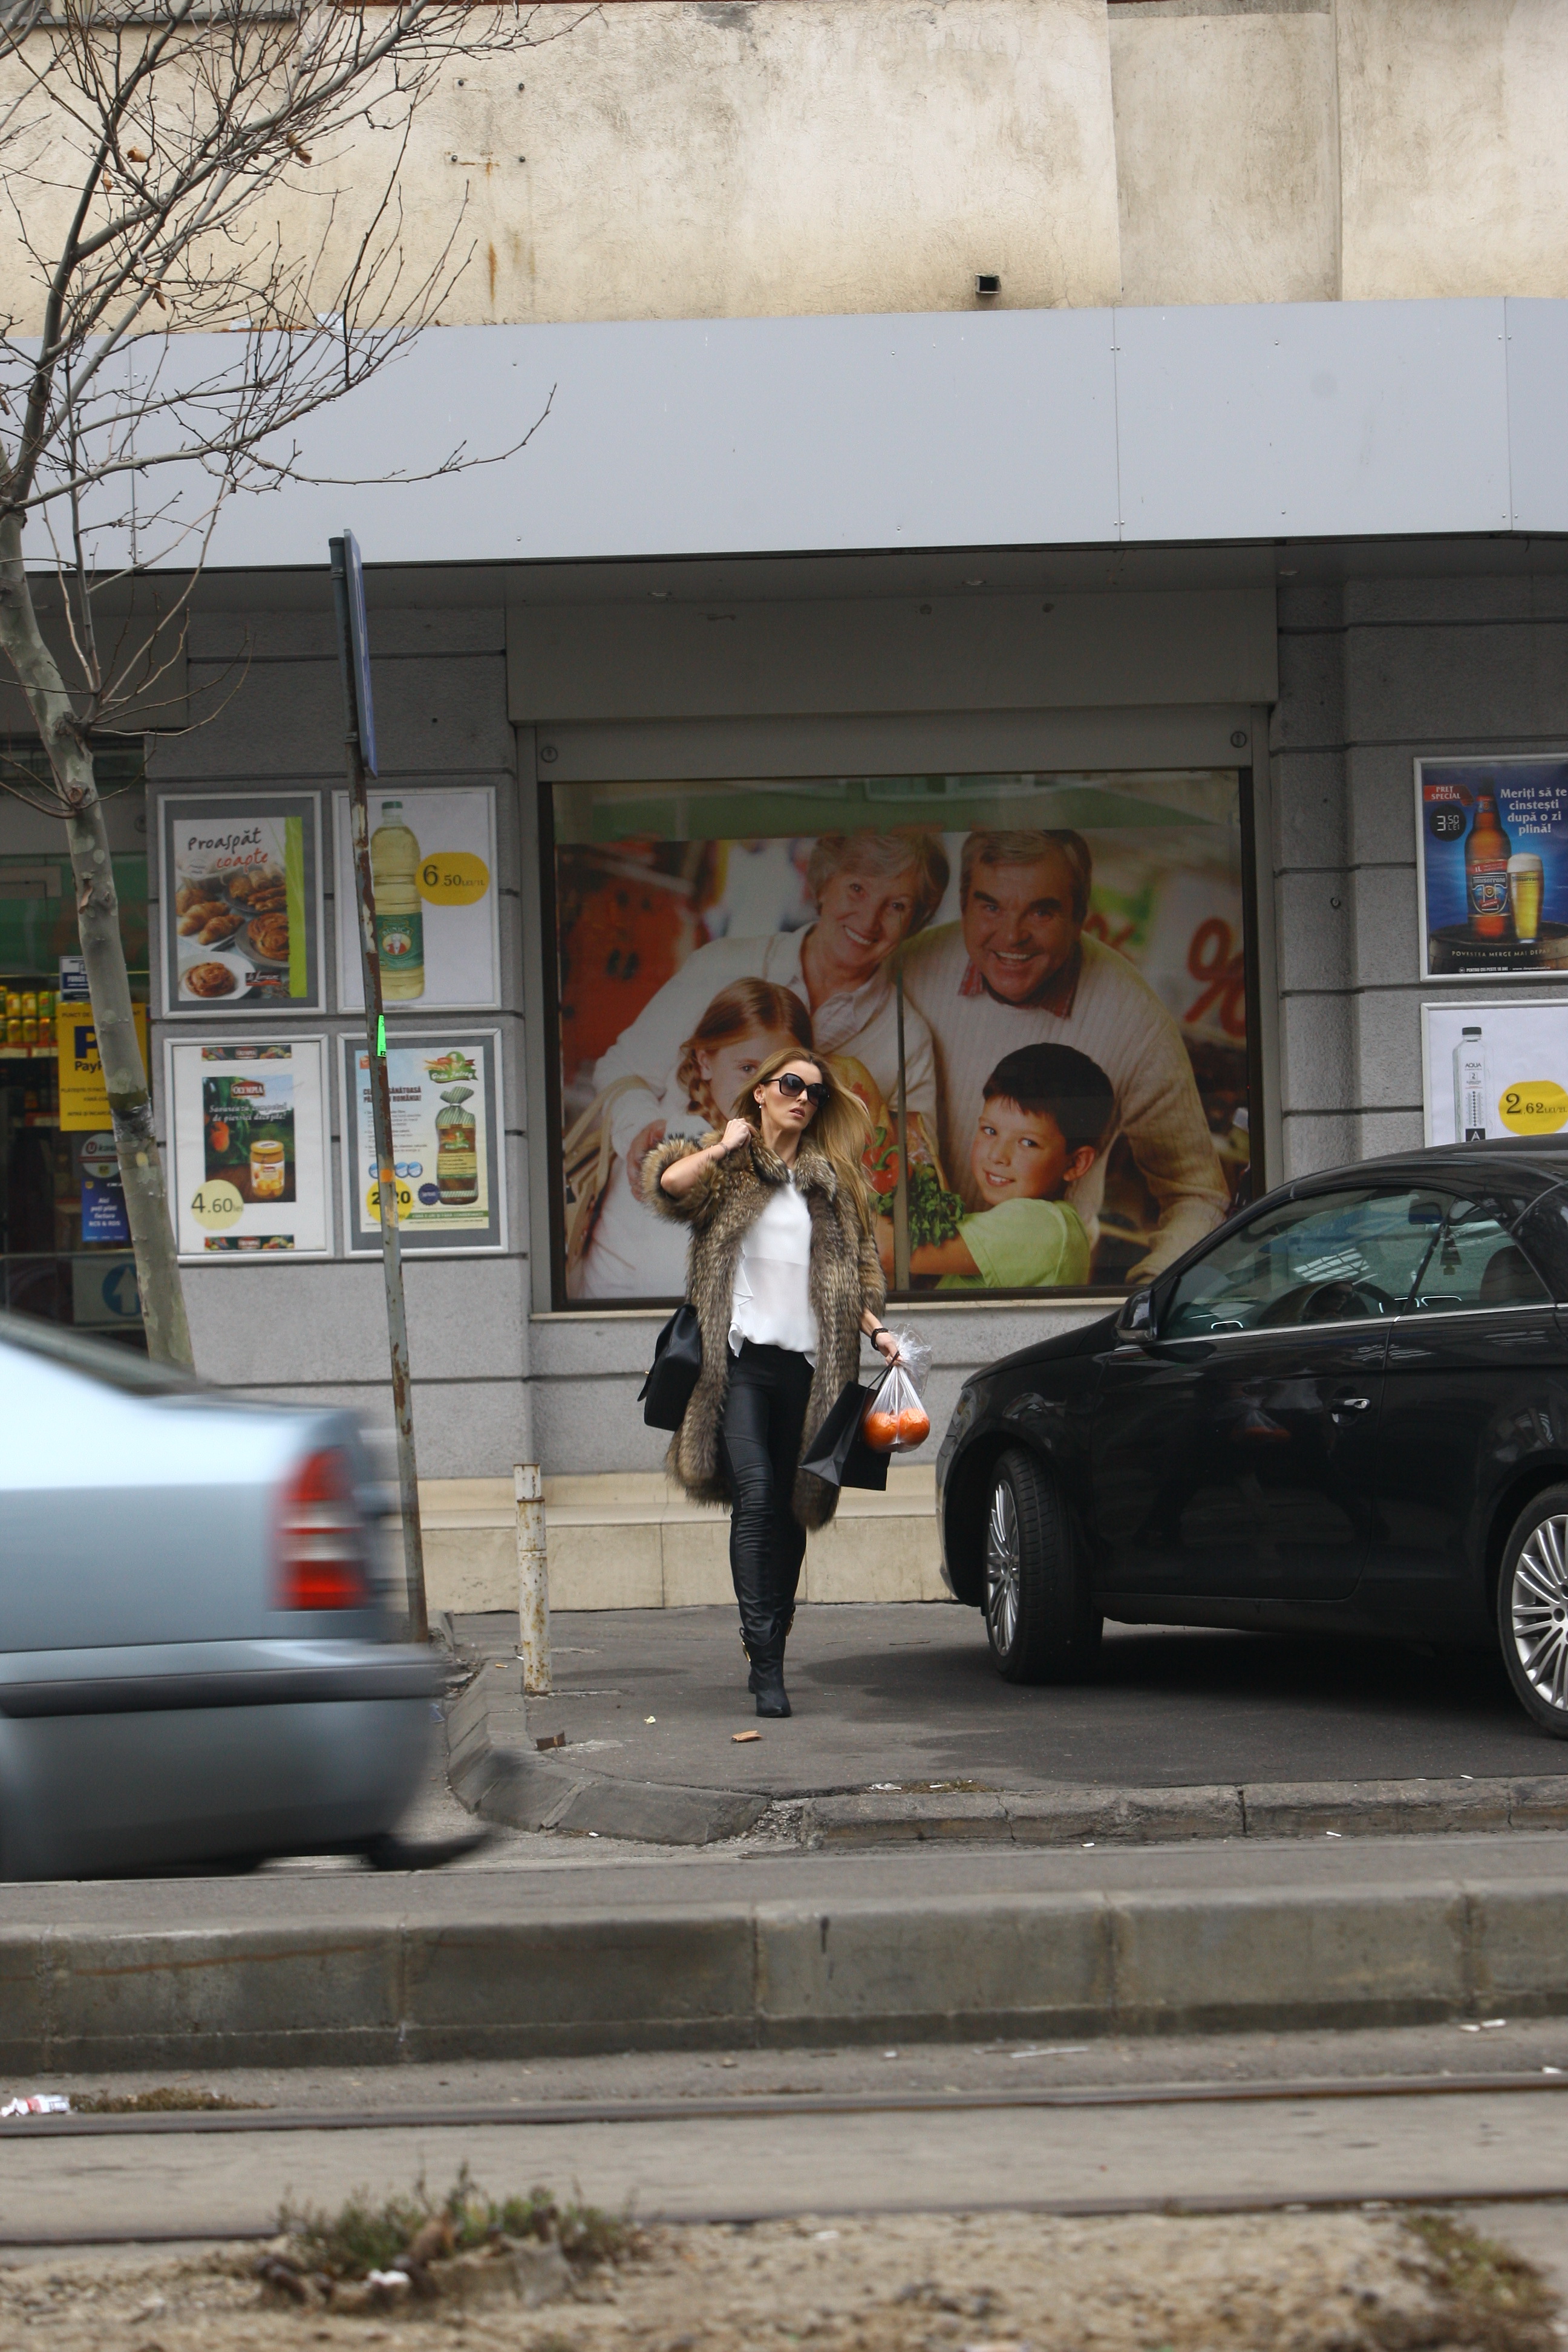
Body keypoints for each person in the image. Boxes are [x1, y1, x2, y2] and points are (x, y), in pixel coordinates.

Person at [645, 1047, 897, 1719]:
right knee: (757, 1497)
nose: (804, 1098)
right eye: (791, 1084)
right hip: (739, 1367)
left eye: (815, 1092)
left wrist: (878, 1333)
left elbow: (856, 1280)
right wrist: (726, 1145)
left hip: (811, 1374)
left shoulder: (834, 1183)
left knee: (790, 1511)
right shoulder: (728, 1168)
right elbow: (669, 1187)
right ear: (760, 1092)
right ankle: (766, 1663)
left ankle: (773, 1633)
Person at [900, 828, 1227, 1281]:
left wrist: (1145, 1299)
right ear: (964, 905)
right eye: (990, 905)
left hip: (1034, 1292)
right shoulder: (909, 968)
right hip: (897, 1280)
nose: (1012, 936)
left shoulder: (1132, 1015)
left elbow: (1196, 1194)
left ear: (1079, 917)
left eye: (1041, 911)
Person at [592, 830, 949, 1207]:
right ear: (824, 885)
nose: (869, 919)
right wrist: (640, 1130)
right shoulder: (722, 964)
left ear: (915, 922)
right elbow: (619, 1068)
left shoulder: (907, 1040)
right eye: (857, 889)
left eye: (897, 906)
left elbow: (914, 1180)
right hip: (637, 1241)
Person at [567, 979, 812, 1299]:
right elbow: (681, 1292)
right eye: (747, 1068)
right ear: (705, 1061)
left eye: (780, 1076)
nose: (760, 1091)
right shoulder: (689, 1147)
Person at [877, 1044, 1113, 1291]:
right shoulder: (1034, 1224)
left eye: (1028, 1142)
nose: (998, 1155)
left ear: (1076, 1163)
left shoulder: (1042, 1226)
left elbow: (889, 1249)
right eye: (990, 1131)